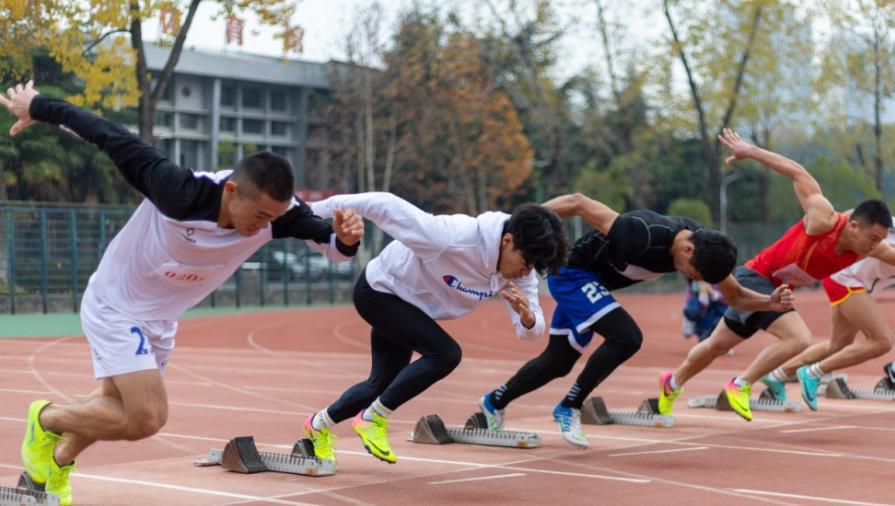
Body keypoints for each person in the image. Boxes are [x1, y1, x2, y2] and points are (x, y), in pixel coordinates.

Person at [1, 81, 364, 505]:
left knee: (111, 406)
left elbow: (333, 248)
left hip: (161, 317)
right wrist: (40, 106)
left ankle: (55, 469)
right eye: (260, 214)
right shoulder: (178, 190)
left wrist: (348, 238)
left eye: (276, 216)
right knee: (145, 418)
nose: (266, 224)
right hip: (116, 304)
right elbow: (108, 135)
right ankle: (44, 420)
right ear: (232, 191)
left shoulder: (280, 217)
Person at [477, 192, 793, 447]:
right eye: (690, 272)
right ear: (686, 249)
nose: (687, 276)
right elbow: (578, 202)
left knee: (558, 361)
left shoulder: (704, 247)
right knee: (627, 337)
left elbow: (736, 296)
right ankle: (569, 406)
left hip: (593, 286)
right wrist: (513, 227)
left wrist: (769, 302)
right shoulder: (640, 233)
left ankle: (494, 401)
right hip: (572, 274)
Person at [301, 192, 567, 466]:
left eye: (534, 268)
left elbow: (531, 333)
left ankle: (317, 426)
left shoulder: (518, 272)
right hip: (379, 292)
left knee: (379, 385)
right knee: (446, 354)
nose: (527, 274)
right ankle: (373, 418)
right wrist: (307, 211)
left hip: (411, 309)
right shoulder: (452, 237)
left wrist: (527, 317)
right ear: (507, 241)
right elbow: (382, 204)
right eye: (526, 265)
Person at [658, 129, 894, 422]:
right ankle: (740, 384)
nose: (875, 246)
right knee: (798, 338)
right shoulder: (824, 218)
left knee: (717, 345)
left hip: (775, 288)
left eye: (880, 240)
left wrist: (874, 247)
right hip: (757, 276)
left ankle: (672, 382)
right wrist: (750, 151)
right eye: (872, 238)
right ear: (855, 226)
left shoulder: (872, 248)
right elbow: (798, 172)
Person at [761, 225, 895, 409]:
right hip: (847, 279)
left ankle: (777, 375)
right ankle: (814, 372)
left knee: (839, 343)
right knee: (882, 341)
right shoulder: (887, 226)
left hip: (847, 280)